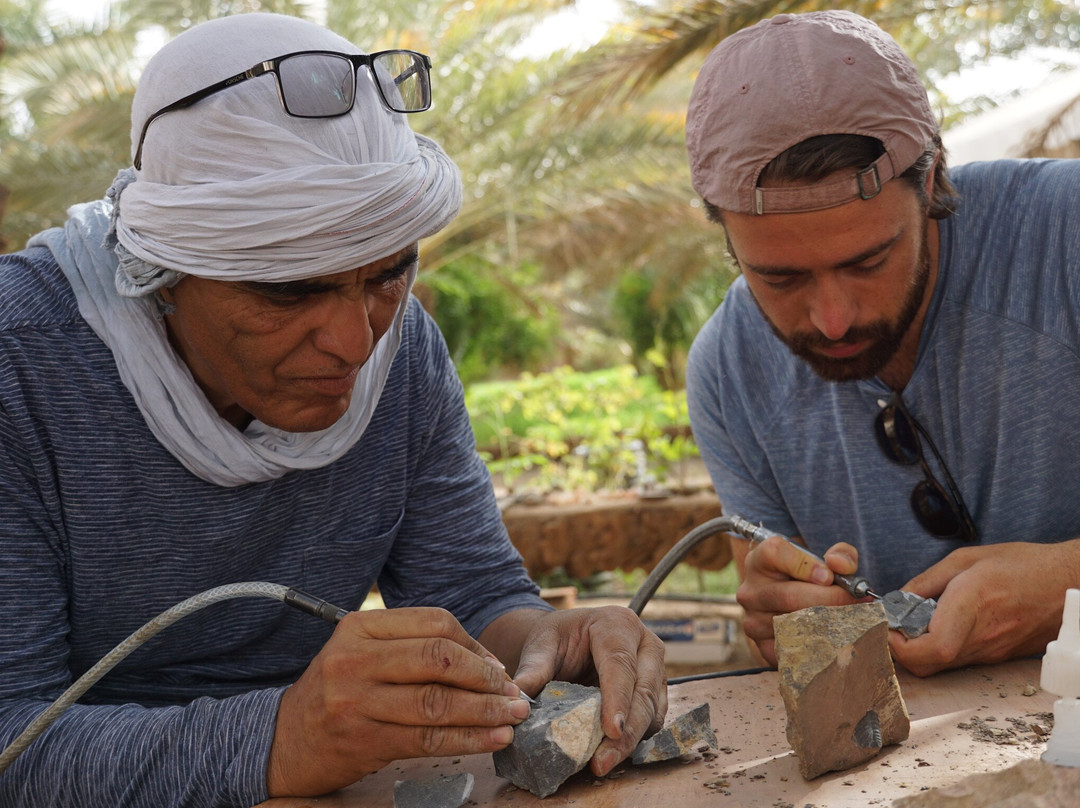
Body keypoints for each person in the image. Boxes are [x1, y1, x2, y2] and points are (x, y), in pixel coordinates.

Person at [0, 13, 666, 807]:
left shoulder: (403, 348)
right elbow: (13, 740)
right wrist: (283, 738)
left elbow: (474, 596)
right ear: (163, 269)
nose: (354, 342)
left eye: (389, 273)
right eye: (291, 289)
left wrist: (549, 642)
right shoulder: (21, 366)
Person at [683, 11, 1080, 678]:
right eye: (779, 278)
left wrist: (1068, 587)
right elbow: (797, 635)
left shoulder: (1065, 242)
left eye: (868, 261)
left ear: (930, 184)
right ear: (726, 236)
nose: (832, 320)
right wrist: (785, 614)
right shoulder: (730, 373)